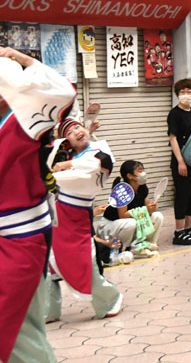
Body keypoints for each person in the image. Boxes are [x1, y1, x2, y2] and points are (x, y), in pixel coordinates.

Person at [0, 47, 75, 363]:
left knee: (16, 330)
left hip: (21, 238)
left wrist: (22, 59)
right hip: (14, 237)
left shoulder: (24, 120)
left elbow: (63, 92)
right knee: (21, 328)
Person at [46, 118, 122, 323]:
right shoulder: (63, 153)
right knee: (47, 264)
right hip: (55, 212)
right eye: (71, 132)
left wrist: (68, 164)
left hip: (77, 215)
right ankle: (48, 310)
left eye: (78, 127)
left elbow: (98, 163)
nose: (77, 132)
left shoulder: (99, 150)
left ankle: (110, 300)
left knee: (84, 262)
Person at [167, 78, 191, 245]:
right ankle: (179, 231)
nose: (186, 95)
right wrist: (180, 162)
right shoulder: (174, 114)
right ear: (177, 94)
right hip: (182, 161)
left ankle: (189, 228)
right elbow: (173, 138)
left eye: (189, 92)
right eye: (182, 92)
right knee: (182, 195)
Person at [96, 161, 163, 254]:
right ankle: (125, 249)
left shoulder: (142, 187)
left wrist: (150, 209)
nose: (143, 173)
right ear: (130, 176)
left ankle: (147, 244)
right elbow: (123, 215)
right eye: (140, 171)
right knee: (131, 223)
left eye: (143, 170)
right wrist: (145, 210)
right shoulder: (122, 190)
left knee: (157, 216)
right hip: (110, 226)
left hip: (126, 223)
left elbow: (146, 210)